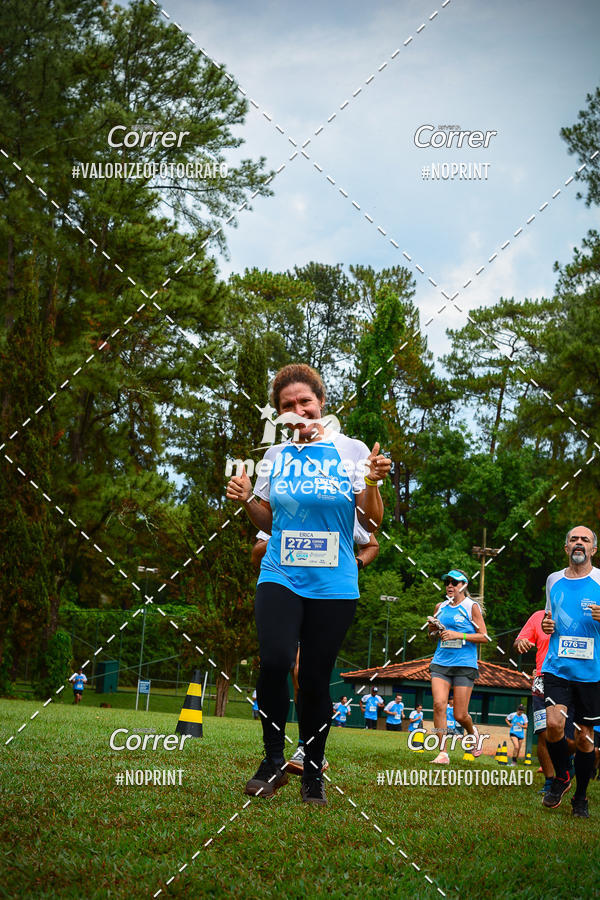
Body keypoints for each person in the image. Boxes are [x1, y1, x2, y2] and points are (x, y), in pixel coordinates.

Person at [226, 363, 390, 805]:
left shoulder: (351, 450)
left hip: (334, 583)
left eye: (304, 402)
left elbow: (371, 521)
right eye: (286, 405)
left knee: (315, 681)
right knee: (276, 659)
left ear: (321, 402)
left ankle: (313, 773)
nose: (297, 410)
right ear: (278, 413)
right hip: (280, 573)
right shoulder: (274, 457)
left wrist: (372, 482)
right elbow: (268, 518)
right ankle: (273, 759)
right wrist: (247, 502)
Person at [251, 523, 379, 775]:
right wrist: (287, 541)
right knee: (277, 664)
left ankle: (305, 748)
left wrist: (353, 562)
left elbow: (371, 544)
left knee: (304, 673)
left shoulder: (338, 498)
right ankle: (274, 755)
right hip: (284, 595)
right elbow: (256, 554)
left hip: (326, 597)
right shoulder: (285, 501)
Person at [541, 525, 600, 817]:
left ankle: (581, 797)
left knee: (584, 738)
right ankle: (563, 775)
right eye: (573, 539)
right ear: (566, 548)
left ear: (593, 549)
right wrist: (546, 626)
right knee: (552, 724)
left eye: (584, 540)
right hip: (558, 667)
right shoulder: (553, 580)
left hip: (591, 672)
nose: (579, 543)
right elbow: (549, 617)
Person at [427, 569, 488, 764]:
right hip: (441, 662)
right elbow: (432, 635)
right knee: (438, 705)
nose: (450, 586)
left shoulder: (472, 607)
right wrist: (433, 628)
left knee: (460, 714)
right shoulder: (441, 606)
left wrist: (458, 635)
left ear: (463, 585)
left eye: (454, 582)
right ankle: (443, 752)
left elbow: (484, 637)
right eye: (447, 583)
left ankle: (472, 733)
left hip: (464, 665)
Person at [514, 608, 576, 793]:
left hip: (573, 680)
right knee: (543, 733)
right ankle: (551, 780)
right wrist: (521, 643)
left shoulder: (581, 614)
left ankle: (566, 762)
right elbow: (518, 641)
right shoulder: (539, 616)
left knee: (572, 739)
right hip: (542, 680)